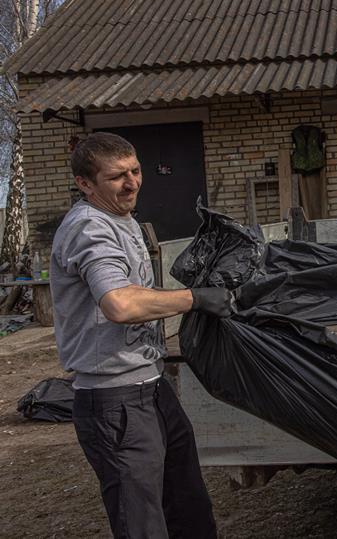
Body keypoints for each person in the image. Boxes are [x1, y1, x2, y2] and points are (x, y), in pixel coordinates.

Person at [50, 132, 234, 539]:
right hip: (114, 400)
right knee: (142, 521)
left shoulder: (122, 218)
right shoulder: (89, 229)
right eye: (116, 176)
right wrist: (195, 298)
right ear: (85, 184)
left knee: (187, 505)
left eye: (135, 171)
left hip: (150, 384)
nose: (131, 183)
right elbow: (120, 304)